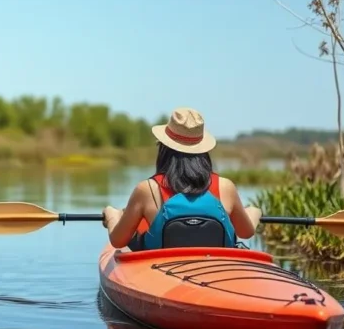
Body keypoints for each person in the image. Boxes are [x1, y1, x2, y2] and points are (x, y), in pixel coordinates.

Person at [102, 107, 262, 251]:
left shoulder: (147, 189)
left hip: (160, 272)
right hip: (214, 268)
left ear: (164, 148)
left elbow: (118, 241)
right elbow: (246, 232)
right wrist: (255, 212)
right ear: (203, 150)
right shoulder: (225, 187)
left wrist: (112, 215)